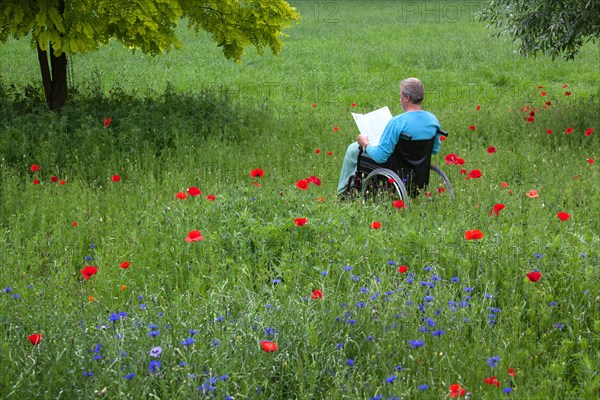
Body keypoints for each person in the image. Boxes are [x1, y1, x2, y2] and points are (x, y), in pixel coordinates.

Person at [337, 77, 442, 196]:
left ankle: (342, 192)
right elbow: (434, 149)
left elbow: (380, 156)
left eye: (401, 96)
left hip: (396, 169)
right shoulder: (433, 120)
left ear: (407, 98)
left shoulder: (397, 122)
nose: (400, 99)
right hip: (418, 170)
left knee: (353, 149)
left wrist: (365, 144)